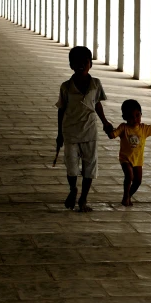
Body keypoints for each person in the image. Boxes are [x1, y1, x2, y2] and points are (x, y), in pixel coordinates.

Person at [56, 46, 113, 212]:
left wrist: (105, 122)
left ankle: (84, 198)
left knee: (90, 166)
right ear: (71, 65)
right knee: (72, 166)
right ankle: (73, 189)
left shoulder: (95, 84)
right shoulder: (66, 87)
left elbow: (97, 104)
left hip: (89, 131)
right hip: (70, 132)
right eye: (76, 62)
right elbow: (61, 109)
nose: (81, 65)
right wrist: (59, 134)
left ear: (90, 64)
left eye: (85, 62)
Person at [108, 99, 151, 207]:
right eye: (131, 117)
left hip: (138, 160)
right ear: (125, 117)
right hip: (125, 158)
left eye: (137, 115)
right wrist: (108, 130)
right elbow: (113, 135)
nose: (135, 119)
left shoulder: (144, 128)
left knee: (138, 181)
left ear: (141, 114)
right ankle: (126, 196)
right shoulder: (123, 127)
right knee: (129, 175)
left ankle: (128, 196)